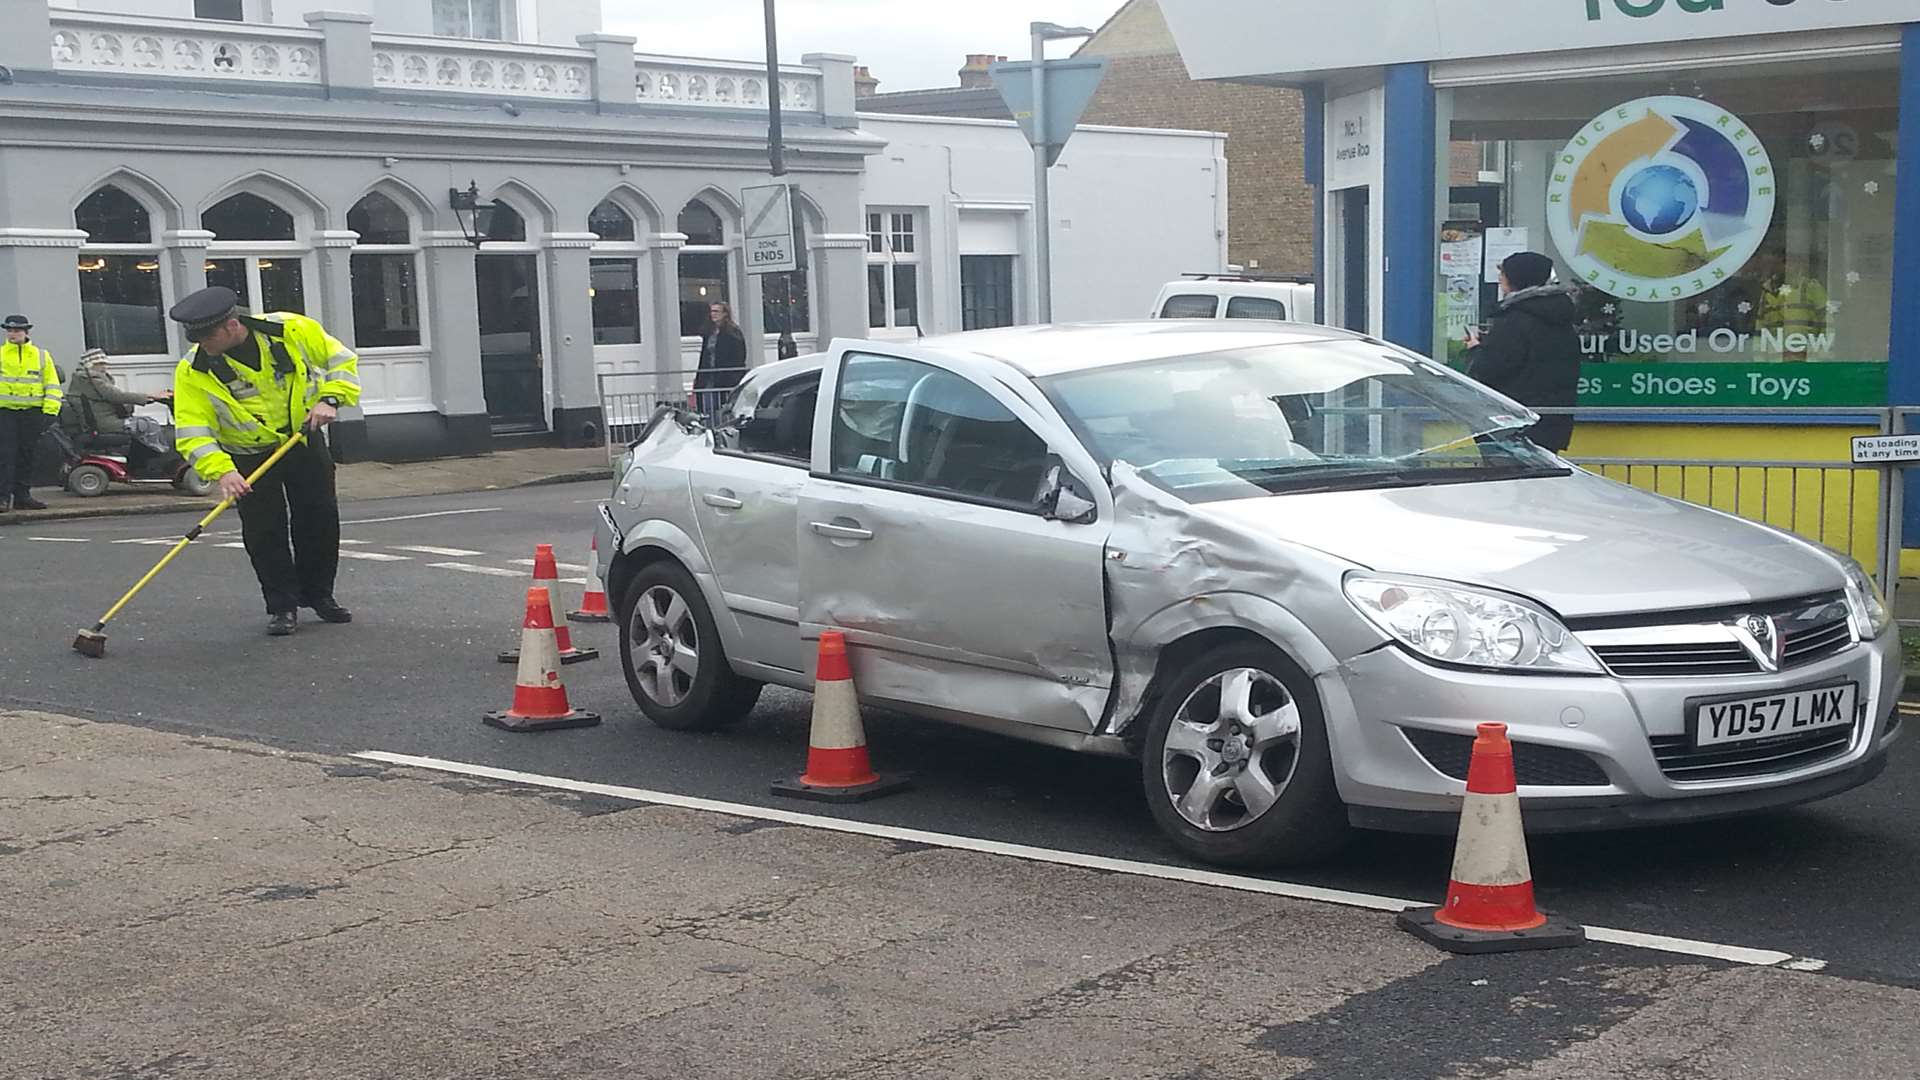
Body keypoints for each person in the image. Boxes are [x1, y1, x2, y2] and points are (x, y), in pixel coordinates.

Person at [168, 286, 361, 637]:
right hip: (246, 455)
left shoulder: (291, 329)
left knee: (319, 518)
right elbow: (192, 430)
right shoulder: (193, 370)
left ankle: (319, 595)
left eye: (207, 335)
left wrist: (331, 397)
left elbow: (341, 360)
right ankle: (282, 606)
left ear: (231, 325)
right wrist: (222, 471)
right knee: (264, 531)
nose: (201, 344)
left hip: (301, 439)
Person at [1464, 251, 1580, 453]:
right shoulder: (1561, 320)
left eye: (1504, 274)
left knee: (1504, 481)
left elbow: (1489, 369)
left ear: (1516, 279)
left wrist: (1476, 349)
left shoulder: (1513, 320)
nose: (1500, 279)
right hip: (1551, 424)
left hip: (1509, 426)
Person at [63, 349, 172, 472]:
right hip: (104, 423)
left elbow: (110, 400)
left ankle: (140, 463)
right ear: (90, 365)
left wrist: (148, 400)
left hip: (103, 420)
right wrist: (151, 396)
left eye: (104, 363)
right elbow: (115, 396)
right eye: (99, 364)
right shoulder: (90, 378)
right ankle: (158, 459)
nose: (104, 367)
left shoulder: (87, 379)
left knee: (144, 423)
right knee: (147, 425)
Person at [0, 314, 64, 512]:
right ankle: (3, 498)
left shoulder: (42, 356)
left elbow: (52, 385)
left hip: (33, 413)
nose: (13, 334)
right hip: (5, 413)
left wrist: (50, 413)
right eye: (9, 330)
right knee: (5, 456)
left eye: (17, 330)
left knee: (27, 455)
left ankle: (22, 496)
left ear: (26, 332)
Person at [693, 301, 747, 414]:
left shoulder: (733, 333)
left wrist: (734, 376)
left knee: (722, 409)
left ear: (725, 314)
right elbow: (704, 356)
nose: (713, 314)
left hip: (725, 377)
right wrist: (698, 378)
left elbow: (739, 357)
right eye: (711, 311)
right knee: (707, 407)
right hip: (708, 376)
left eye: (716, 311)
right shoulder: (709, 332)